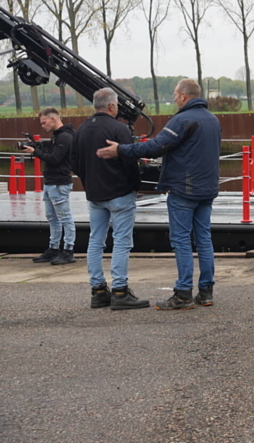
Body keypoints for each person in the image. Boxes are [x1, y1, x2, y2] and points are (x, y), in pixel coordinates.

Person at [97, 78, 221, 311]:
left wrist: (120, 150)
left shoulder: (182, 120)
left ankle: (183, 293)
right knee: (204, 239)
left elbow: (155, 146)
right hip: (207, 189)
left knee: (181, 240)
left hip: (184, 190)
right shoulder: (212, 120)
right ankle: (206, 292)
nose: (174, 98)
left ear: (184, 95)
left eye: (176, 94)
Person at [69, 88, 148, 310]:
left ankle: (98, 291)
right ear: (112, 106)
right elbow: (129, 160)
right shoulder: (119, 129)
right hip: (120, 193)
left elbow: (74, 163)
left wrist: (88, 181)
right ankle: (121, 291)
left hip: (94, 194)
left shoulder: (81, 130)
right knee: (122, 242)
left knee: (96, 241)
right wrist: (135, 186)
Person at [24, 107, 76, 266]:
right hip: (51, 182)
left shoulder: (65, 137)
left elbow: (55, 159)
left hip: (59, 183)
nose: (43, 126)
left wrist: (35, 152)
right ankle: (53, 248)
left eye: (44, 122)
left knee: (65, 217)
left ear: (53, 119)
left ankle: (68, 250)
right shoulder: (58, 137)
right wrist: (38, 147)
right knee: (52, 218)